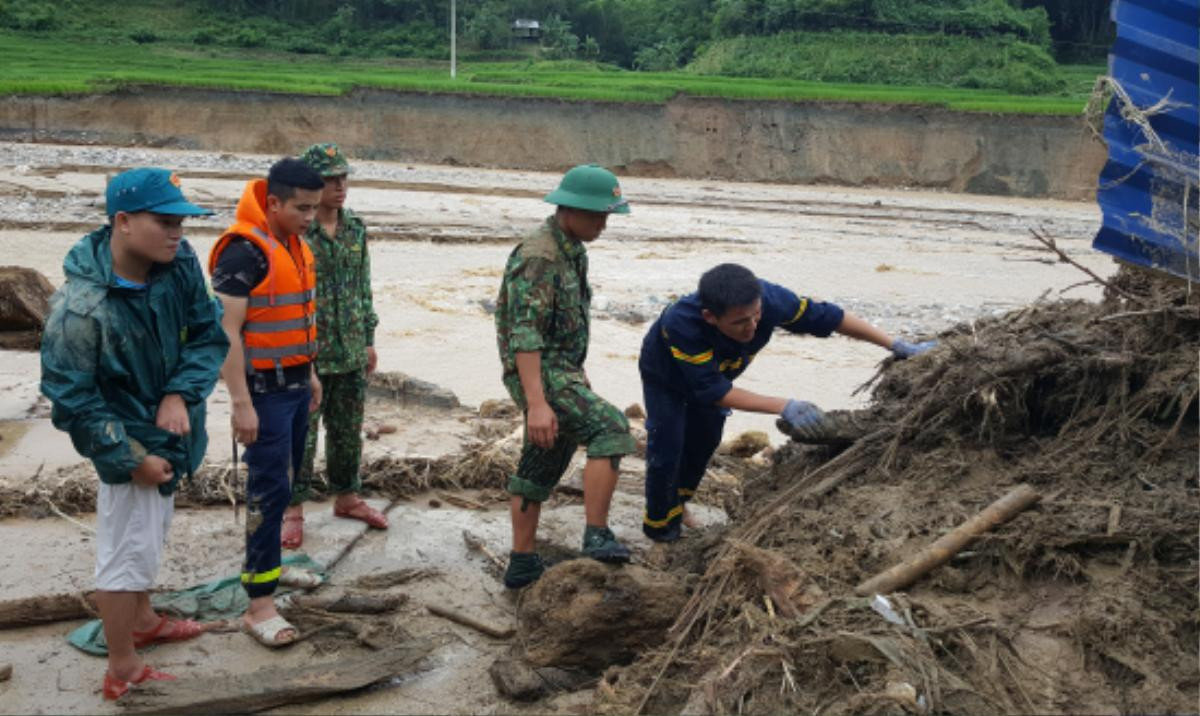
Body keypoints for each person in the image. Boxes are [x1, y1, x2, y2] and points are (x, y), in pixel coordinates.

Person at [40, 168, 228, 699]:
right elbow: (73, 401)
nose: (178, 233)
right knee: (123, 552)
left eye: (182, 223)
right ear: (122, 222)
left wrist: (177, 394)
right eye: (165, 222)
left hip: (172, 429)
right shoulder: (81, 311)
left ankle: (143, 619)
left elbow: (208, 334)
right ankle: (122, 666)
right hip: (127, 442)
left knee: (147, 541)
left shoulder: (178, 262)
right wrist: (128, 457)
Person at [638, 263, 936, 542]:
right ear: (710, 317)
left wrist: (895, 344)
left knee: (705, 441)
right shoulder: (682, 324)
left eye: (756, 316)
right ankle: (661, 529)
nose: (752, 326)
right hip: (667, 377)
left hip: (719, 373)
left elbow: (830, 318)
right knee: (668, 445)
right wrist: (784, 405)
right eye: (740, 322)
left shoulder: (771, 299)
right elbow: (713, 391)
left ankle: (679, 504)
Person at [494, 164, 637, 589]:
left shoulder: (572, 250)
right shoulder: (540, 256)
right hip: (543, 371)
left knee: (545, 454)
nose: (603, 224)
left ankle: (521, 563)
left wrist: (576, 377)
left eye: (607, 216)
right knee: (611, 427)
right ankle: (596, 535)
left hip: (560, 370)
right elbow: (525, 334)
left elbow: (566, 325)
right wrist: (537, 402)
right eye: (597, 215)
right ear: (568, 209)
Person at [209, 158, 325, 647]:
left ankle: (273, 570)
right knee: (267, 492)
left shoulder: (295, 245)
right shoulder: (244, 253)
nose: (310, 217)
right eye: (302, 208)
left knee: (288, 483)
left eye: (315, 209)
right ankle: (259, 606)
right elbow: (225, 332)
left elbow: (298, 316)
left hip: (296, 385)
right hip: (265, 393)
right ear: (272, 202)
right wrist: (241, 403)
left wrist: (312, 373)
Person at [282, 143, 385, 550]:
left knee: (347, 432)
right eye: (329, 180)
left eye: (343, 178)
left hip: (351, 348)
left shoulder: (356, 228)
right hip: (308, 353)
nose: (339, 186)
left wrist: (370, 339)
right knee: (302, 434)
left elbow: (363, 287)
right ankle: (293, 509)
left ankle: (347, 497)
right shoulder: (297, 231)